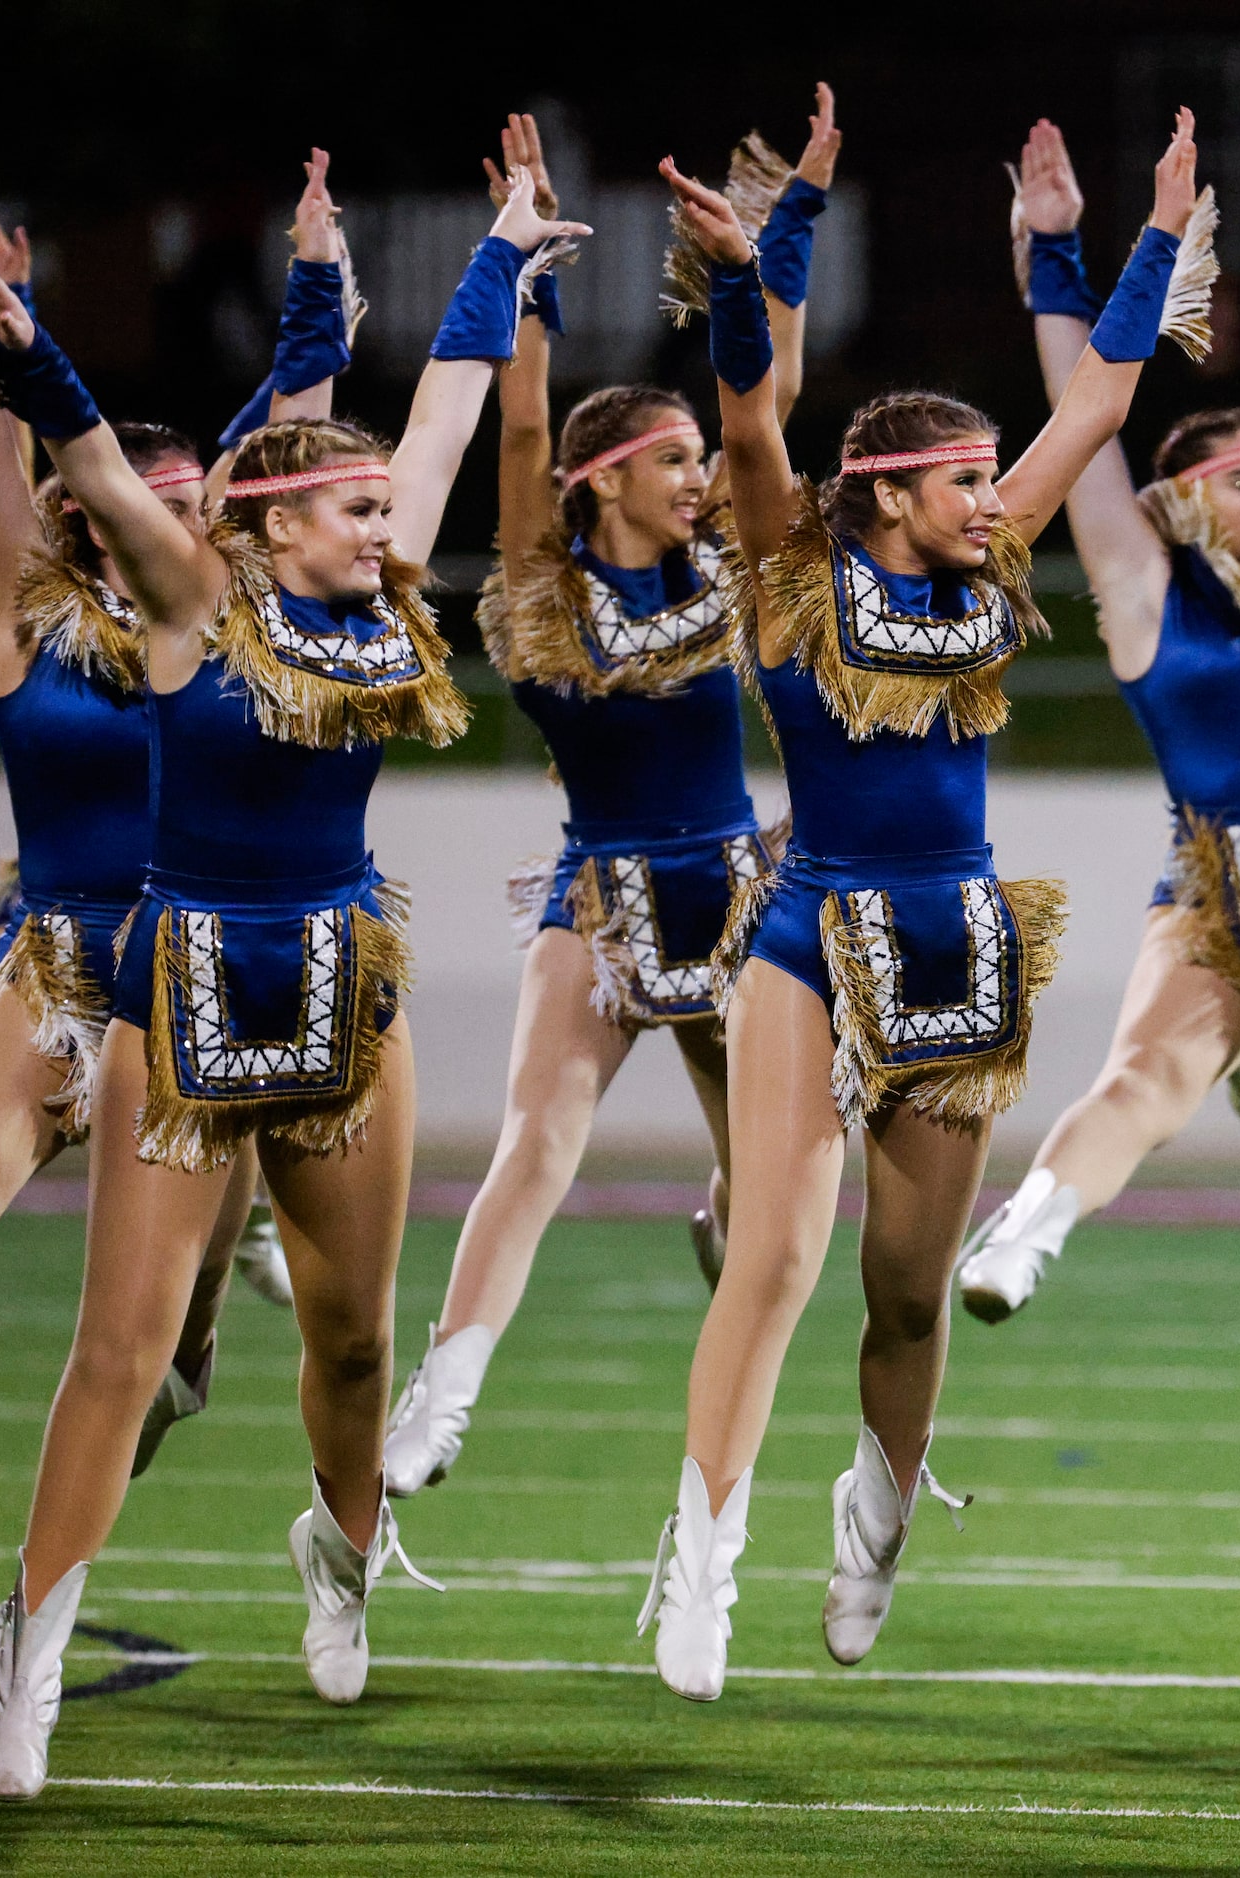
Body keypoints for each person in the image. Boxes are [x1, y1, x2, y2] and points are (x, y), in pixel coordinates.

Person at [0, 145, 585, 1799]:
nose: (392, 526)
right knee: (125, 1341)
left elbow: (446, 411)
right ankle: (30, 1640)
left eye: (388, 509)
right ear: (268, 519)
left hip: (342, 987)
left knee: (360, 1340)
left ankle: (341, 1540)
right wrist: (16, 342)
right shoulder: (186, 602)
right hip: (185, 984)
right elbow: (88, 453)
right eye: (357, 508)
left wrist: (502, 263)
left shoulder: (378, 595)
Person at [632, 110, 1209, 1699]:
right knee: (774, 1254)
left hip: (957, 934)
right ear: (886, 496)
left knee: (904, 1290)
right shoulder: (793, 573)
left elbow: (1096, 397)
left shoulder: (986, 562)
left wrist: (1141, 234)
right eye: (960, 480)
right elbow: (750, 427)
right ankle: (703, 1555)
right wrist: (748, 280)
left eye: (985, 478)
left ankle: (875, 1510)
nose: (986, 500)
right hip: (809, 922)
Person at [379, 100, 839, 1497]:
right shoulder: (542, 582)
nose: (704, 476)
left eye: (701, 462)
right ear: (604, 482)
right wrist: (527, 258)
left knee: (769, 1194)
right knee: (539, 1138)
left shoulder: (719, 572)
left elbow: (770, 409)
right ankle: (445, 1386)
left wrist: (786, 229)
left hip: (738, 891)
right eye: (676, 462)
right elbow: (522, 419)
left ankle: (724, 1211)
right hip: (604, 887)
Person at [0, 135, 342, 1449]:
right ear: (87, 516)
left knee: (170, 1357)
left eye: (194, 510)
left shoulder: (230, 623)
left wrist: (313, 274)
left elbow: (301, 427)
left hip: (202, 967)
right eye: (146, 504)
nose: (173, 528)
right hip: (64, 958)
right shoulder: (30, 613)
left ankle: (206, 1314)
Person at [955, 112, 1240, 1323]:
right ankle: (1026, 1227)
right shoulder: (1141, 592)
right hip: (1214, 889)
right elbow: (1080, 427)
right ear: (1182, 504)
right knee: (1147, 1080)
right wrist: (1054, 257)